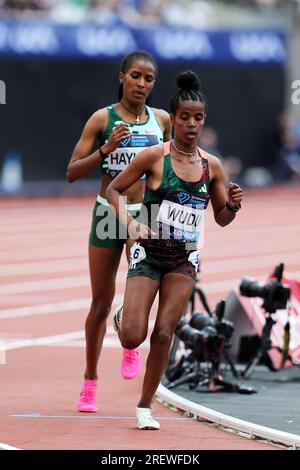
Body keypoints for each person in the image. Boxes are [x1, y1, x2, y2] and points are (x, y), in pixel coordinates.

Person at [106, 70, 243, 429]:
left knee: (165, 332)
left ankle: (144, 406)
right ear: (173, 120)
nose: (192, 124)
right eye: (185, 117)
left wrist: (233, 205)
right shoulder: (155, 157)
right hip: (149, 253)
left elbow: (222, 218)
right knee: (134, 335)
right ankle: (123, 317)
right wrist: (132, 224)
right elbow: (113, 191)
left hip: (184, 257)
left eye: (199, 118)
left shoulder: (211, 166)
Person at [66, 51, 171, 412]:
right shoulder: (102, 118)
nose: (142, 84)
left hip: (143, 214)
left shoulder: (162, 121)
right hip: (107, 213)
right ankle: (90, 380)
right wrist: (105, 151)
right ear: (121, 77)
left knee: (139, 288)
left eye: (149, 78)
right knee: (99, 303)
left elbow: (172, 164)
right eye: (136, 76)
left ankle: (129, 343)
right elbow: (72, 171)